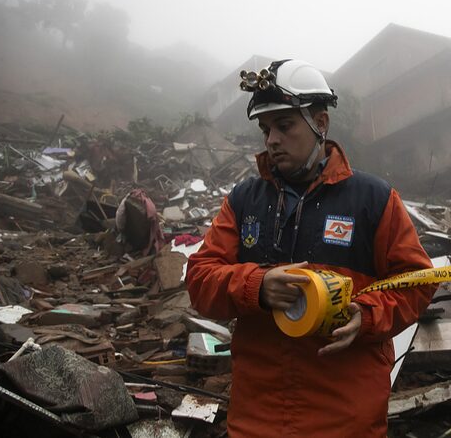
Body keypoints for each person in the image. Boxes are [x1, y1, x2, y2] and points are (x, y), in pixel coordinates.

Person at [186, 59, 436, 437]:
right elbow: (200, 279)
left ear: (321, 124)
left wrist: (366, 316)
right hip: (257, 418)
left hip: (346, 418)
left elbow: (416, 282)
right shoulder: (243, 201)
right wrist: (257, 285)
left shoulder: (373, 199)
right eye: (266, 129)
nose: (272, 140)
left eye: (285, 126)